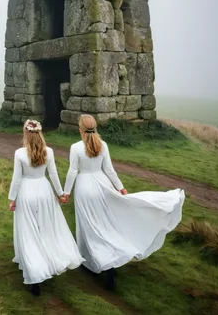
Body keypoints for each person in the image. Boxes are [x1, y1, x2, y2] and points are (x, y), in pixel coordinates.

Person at [60, 114, 185, 290]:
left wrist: (66, 193)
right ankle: (106, 259)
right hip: (102, 185)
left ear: (80, 128)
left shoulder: (75, 147)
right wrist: (121, 188)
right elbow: (110, 171)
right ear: (95, 127)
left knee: (88, 225)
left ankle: (98, 262)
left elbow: (73, 171)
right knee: (104, 223)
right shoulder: (102, 145)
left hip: (84, 188)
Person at [8, 119, 84, 296]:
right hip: (44, 191)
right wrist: (60, 193)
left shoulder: (19, 153)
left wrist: (12, 198)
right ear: (40, 133)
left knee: (28, 230)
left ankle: (35, 272)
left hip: (26, 193)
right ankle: (48, 259)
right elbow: (53, 174)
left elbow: (16, 179)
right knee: (46, 229)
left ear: (26, 133)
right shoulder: (48, 152)